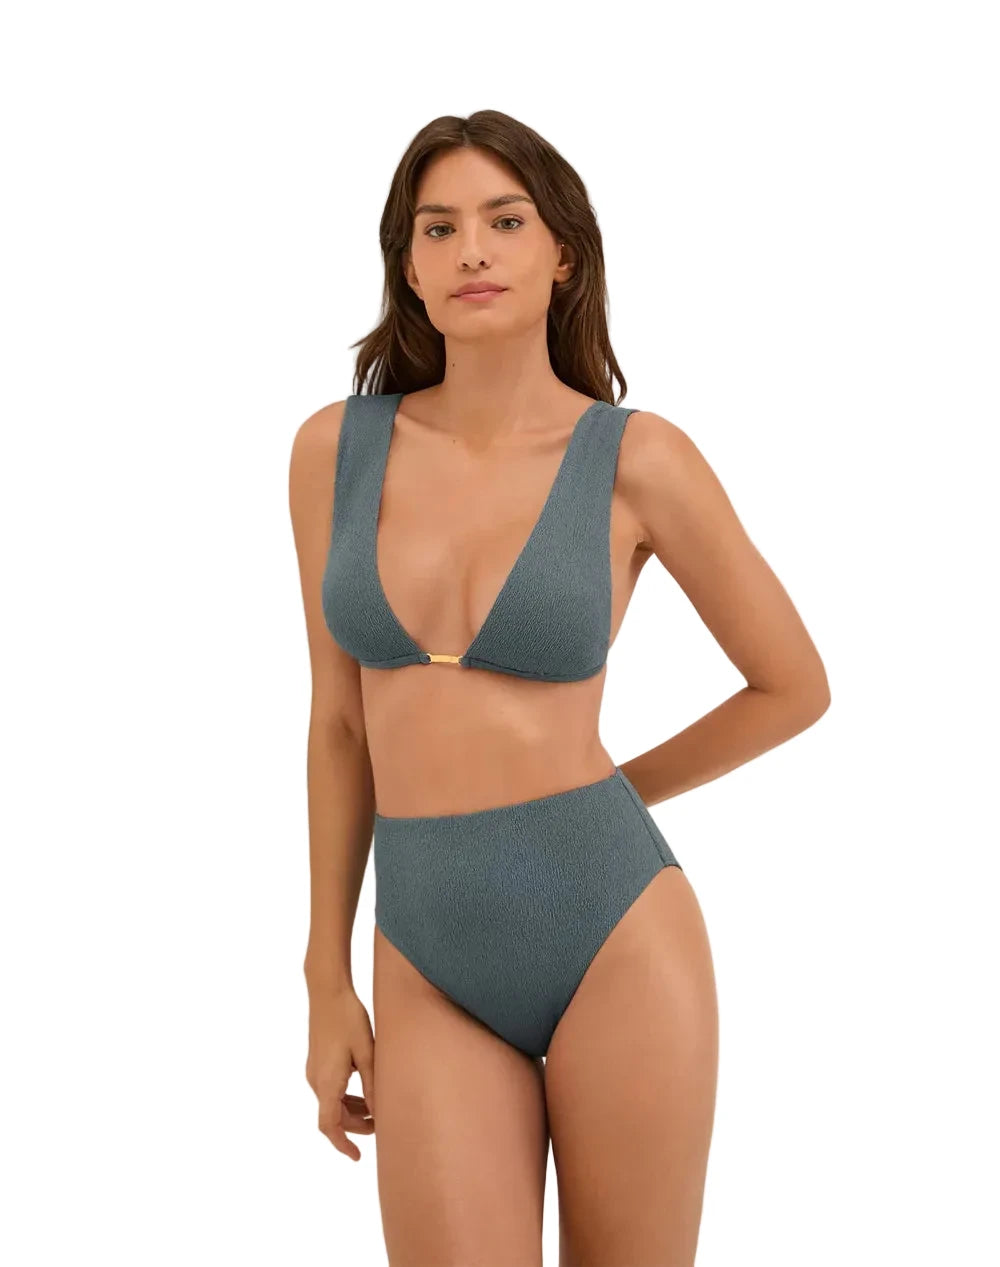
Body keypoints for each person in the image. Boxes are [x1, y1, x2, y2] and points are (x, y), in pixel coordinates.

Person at [288, 109, 830, 1267]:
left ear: (562, 254)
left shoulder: (638, 458)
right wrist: (323, 972)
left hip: (611, 924)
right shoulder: (333, 450)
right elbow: (338, 726)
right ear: (409, 267)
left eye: (504, 220)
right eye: (438, 228)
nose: (471, 251)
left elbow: (791, 685)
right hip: (424, 944)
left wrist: (610, 793)